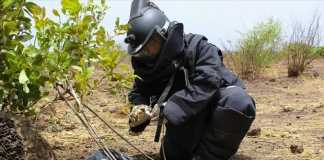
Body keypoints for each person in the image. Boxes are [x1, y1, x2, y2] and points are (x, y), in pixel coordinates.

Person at [125, 0, 256, 160]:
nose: (148, 52)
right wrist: (139, 108)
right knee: (173, 156)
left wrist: (168, 108)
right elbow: (138, 91)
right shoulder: (148, 66)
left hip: (212, 115)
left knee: (237, 101)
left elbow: (207, 82)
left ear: (164, 34)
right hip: (184, 125)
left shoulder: (200, 49)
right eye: (142, 51)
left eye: (151, 44)